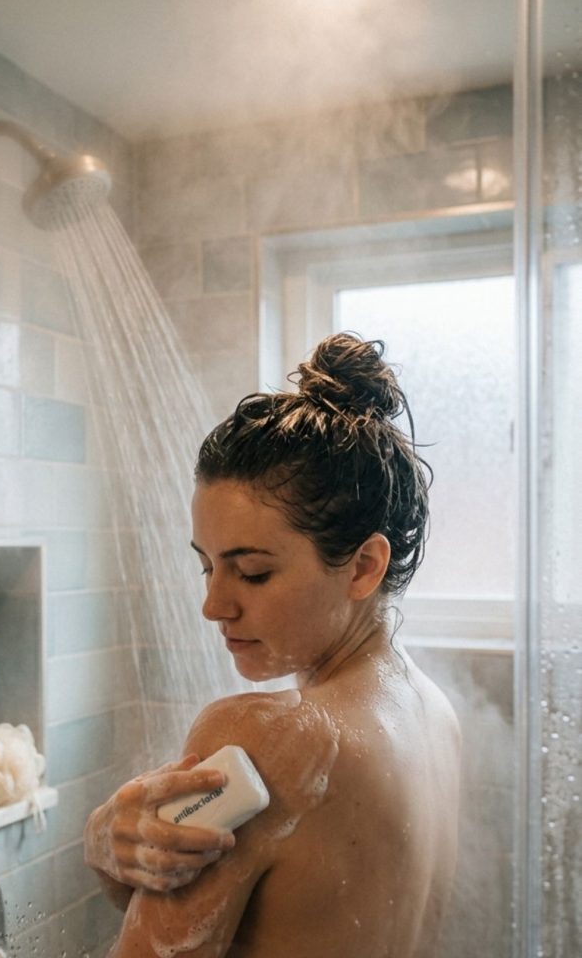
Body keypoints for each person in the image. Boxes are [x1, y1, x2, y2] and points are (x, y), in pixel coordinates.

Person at [83, 333, 461, 958]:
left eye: (252, 571)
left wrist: (95, 841)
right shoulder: (436, 717)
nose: (213, 605)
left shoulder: (263, 740)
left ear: (364, 565)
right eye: (207, 567)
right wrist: (111, 848)